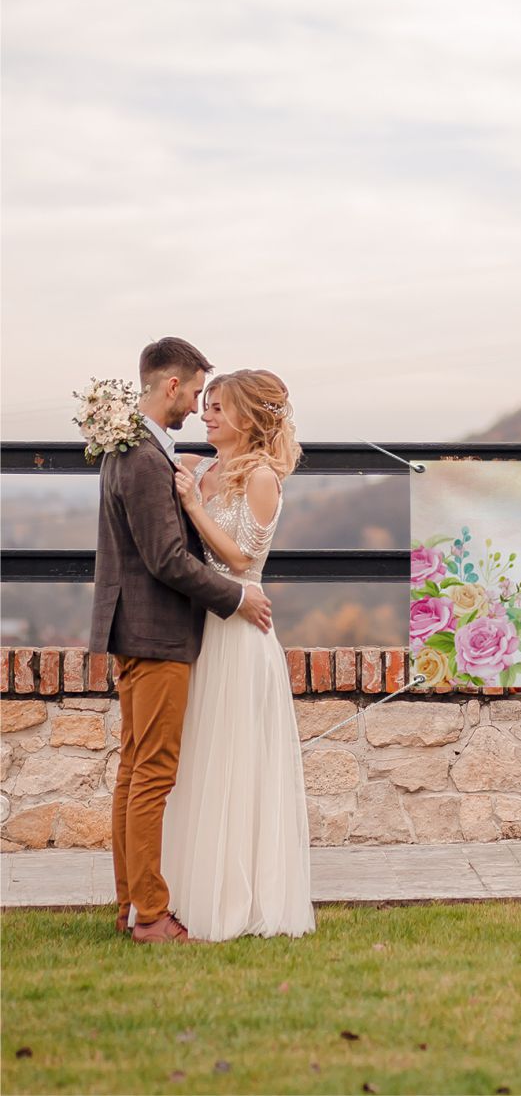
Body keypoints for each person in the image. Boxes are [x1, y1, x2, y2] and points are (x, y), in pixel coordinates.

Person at [90, 337, 273, 945]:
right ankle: (150, 914)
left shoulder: (135, 448)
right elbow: (167, 559)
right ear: (172, 386)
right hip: (157, 632)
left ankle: (129, 903)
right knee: (153, 774)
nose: (199, 407)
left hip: (135, 629)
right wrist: (237, 596)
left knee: (134, 769)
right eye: (198, 393)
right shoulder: (144, 457)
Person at [161, 368, 315, 941]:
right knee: (202, 758)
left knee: (237, 760)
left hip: (241, 633)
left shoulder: (262, 478)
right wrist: (191, 484)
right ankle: (188, 889)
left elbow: (242, 561)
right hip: (203, 624)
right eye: (208, 406)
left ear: (249, 418)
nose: (207, 415)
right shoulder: (205, 469)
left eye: (220, 408)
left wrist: (194, 506)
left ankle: (238, 898)